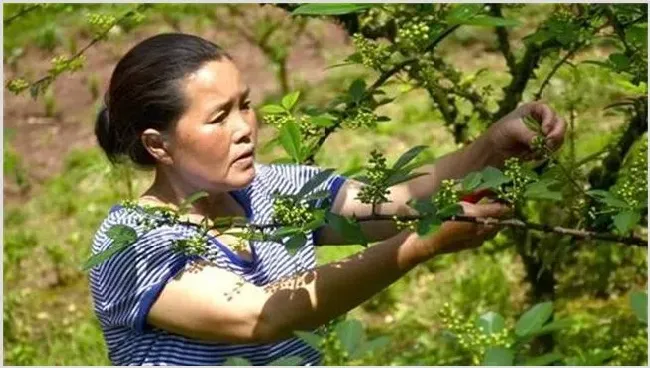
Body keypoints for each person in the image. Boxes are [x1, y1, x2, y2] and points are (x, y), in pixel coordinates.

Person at [89, 32, 566, 366]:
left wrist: (493, 146)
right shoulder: (135, 243)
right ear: (158, 144)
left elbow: (402, 200)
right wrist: (423, 245)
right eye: (219, 117)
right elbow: (258, 316)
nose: (245, 129)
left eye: (246, 105)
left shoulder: (272, 189)